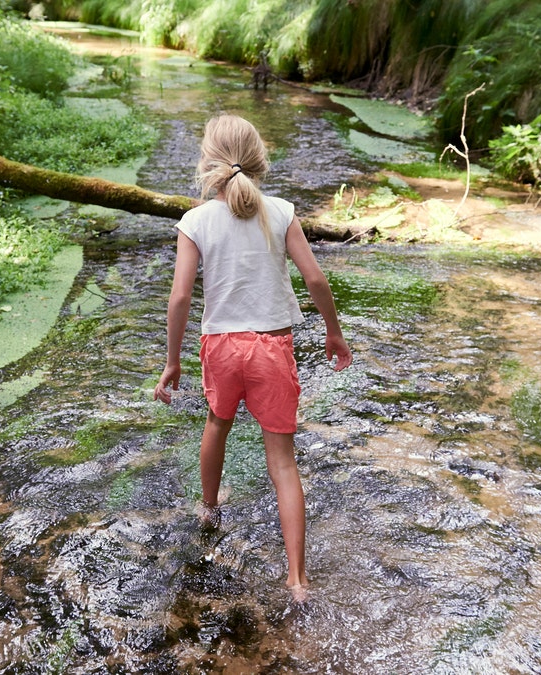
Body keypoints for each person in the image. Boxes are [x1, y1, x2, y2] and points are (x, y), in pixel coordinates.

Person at [153, 114, 352, 601]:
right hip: (272, 347)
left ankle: (207, 509)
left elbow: (180, 298)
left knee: (217, 424)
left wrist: (172, 361)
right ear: (260, 160)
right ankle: (297, 579)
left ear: (208, 162)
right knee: (282, 462)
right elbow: (316, 281)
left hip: (220, 347)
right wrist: (334, 333)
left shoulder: (195, 221)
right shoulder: (281, 211)